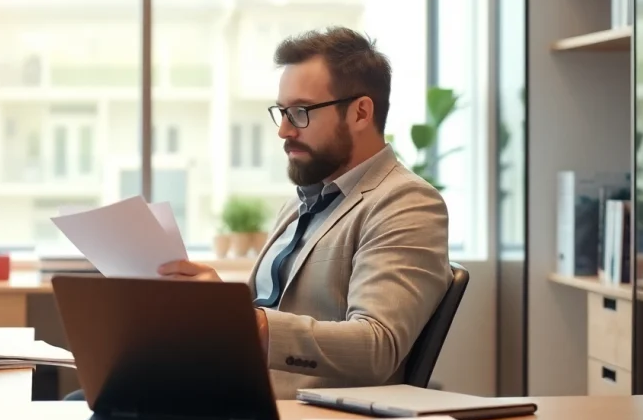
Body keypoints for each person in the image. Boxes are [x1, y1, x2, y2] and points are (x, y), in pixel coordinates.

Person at [159, 26, 452, 399]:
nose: (284, 130)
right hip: (236, 393)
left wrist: (248, 323)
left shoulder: (406, 203)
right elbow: (264, 313)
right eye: (282, 112)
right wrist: (216, 307)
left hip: (305, 415)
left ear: (361, 112)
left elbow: (377, 345)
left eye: (300, 112)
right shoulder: (299, 203)